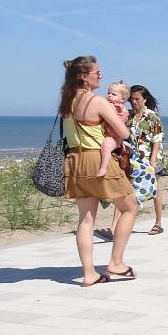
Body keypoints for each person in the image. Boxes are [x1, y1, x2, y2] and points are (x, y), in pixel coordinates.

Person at [60, 56, 138, 287]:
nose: (101, 76)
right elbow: (123, 133)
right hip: (96, 157)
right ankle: (116, 262)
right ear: (84, 77)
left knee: (85, 219)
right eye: (97, 72)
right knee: (129, 207)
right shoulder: (97, 101)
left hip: (75, 159)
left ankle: (88, 274)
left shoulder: (67, 102)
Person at [128, 84, 165, 234]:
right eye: (132, 99)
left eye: (137, 99)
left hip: (149, 158)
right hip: (133, 159)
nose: (134, 101)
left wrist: (153, 161)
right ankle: (128, 222)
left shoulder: (152, 116)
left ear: (145, 99)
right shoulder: (129, 115)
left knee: (155, 190)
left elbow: (157, 140)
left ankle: (158, 223)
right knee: (132, 190)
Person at [95, 81, 131, 177]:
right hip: (107, 133)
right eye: (108, 93)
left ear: (122, 99)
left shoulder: (119, 108)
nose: (110, 96)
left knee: (106, 147)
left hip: (114, 137)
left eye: (113, 94)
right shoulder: (110, 104)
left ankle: (103, 168)